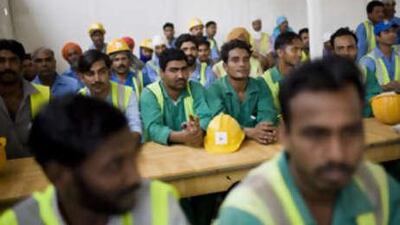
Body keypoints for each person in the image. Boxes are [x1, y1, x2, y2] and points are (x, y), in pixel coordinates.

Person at [216, 56, 400, 225]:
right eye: (316, 135)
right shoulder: (247, 213)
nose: (337, 153)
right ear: (285, 135)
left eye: (349, 132)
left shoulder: (381, 190)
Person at [0, 95, 189, 225]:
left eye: (134, 158)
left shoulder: (157, 199)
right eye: (114, 165)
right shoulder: (18, 222)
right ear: (58, 174)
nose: (134, 177)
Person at [207, 40, 278, 145]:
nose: (242, 64)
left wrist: (263, 131)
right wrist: (250, 132)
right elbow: (220, 124)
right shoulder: (214, 89)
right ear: (225, 67)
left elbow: (268, 114)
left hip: (259, 143)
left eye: (246, 60)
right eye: (235, 60)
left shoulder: (260, 84)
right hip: (226, 146)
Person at [140, 48, 212, 146]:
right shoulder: (150, 93)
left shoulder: (195, 88)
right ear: (161, 73)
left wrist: (199, 130)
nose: (181, 75)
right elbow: (153, 128)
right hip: (159, 151)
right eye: (174, 70)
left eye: (184, 69)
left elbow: (206, 116)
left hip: (192, 149)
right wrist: (182, 136)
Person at [0, 39, 49, 159]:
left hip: (38, 171)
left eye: (13, 60)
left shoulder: (44, 94)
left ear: (22, 64)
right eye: (1, 61)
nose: (7, 66)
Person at [77, 50, 142, 137]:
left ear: (110, 73)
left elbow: (135, 128)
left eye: (102, 72)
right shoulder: (79, 99)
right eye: (90, 74)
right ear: (81, 77)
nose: (97, 79)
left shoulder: (127, 93)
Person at [330, 27, 382, 117]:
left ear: (357, 49)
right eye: (340, 48)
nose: (346, 52)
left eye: (350, 47)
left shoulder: (365, 72)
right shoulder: (323, 75)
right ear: (333, 52)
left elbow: (375, 100)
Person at [260, 32, 302, 112]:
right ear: (280, 53)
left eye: (301, 49)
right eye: (295, 49)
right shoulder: (265, 81)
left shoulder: (303, 77)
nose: (300, 54)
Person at [360, 20, 400, 92]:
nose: (392, 34)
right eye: (386, 32)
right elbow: (360, 89)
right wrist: (385, 87)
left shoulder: (398, 56)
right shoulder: (368, 61)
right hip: (377, 102)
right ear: (377, 37)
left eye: (394, 31)